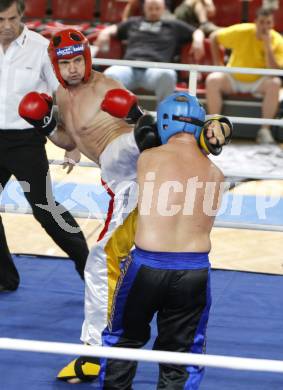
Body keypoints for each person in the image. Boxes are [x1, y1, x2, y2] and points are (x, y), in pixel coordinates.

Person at [19, 28, 232, 382]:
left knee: (101, 264)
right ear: (56, 67)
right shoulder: (60, 95)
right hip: (120, 180)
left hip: (130, 163)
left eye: (77, 61)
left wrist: (136, 117)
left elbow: (149, 129)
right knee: (107, 261)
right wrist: (45, 125)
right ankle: (101, 351)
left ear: (87, 59)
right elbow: (68, 139)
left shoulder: (104, 87)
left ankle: (95, 354)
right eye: (65, 64)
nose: (72, 69)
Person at [98, 92, 232, 389]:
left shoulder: (149, 158)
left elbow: (135, 148)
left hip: (146, 267)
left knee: (123, 339)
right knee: (183, 353)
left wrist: (141, 121)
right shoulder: (217, 174)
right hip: (194, 272)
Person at [0, 0, 89, 292]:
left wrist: (72, 141)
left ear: (22, 15)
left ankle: (91, 270)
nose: (6, 26)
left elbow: (63, 95)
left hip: (25, 140)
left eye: (11, 18)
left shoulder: (40, 48)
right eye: (0, 20)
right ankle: (4, 277)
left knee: (45, 209)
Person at [95, 0, 206, 103]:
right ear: (144, 8)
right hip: (129, 67)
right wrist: (104, 33)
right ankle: (113, 117)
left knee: (168, 75)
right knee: (110, 75)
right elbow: (114, 28)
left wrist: (198, 40)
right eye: (150, 8)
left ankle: (162, 114)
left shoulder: (173, 25)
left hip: (155, 69)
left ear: (163, 9)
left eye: (157, 8)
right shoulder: (133, 22)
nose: (153, 11)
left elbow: (197, 31)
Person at [205, 6, 283, 144]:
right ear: (255, 22)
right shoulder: (242, 30)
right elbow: (214, 37)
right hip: (233, 77)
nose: (264, 26)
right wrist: (218, 64)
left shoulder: (277, 40)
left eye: (268, 23)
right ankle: (215, 126)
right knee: (212, 80)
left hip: (258, 82)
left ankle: (264, 131)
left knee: (275, 83)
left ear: (273, 24)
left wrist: (267, 46)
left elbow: (274, 70)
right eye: (261, 22)